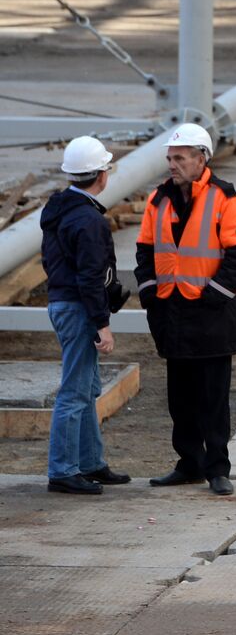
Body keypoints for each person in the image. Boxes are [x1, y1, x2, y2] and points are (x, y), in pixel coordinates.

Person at [134, 124, 236, 496]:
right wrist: (149, 293)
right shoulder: (158, 199)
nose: (172, 165)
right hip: (172, 316)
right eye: (170, 158)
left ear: (201, 159)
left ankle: (217, 468)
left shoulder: (224, 198)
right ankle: (189, 463)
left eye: (180, 158)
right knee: (181, 399)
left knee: (213, 399)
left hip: (211, 317)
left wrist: (214, 295)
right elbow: (144, 251)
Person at [38, 136, 131, 494]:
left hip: (64, 303)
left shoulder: (60, 208)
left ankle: (91, 463)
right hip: (78, 307)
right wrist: (102, 324)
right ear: (102, 175)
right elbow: (90, 277)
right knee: (75, 392)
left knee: (87, 387)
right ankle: (63, 470)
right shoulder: (88, 221)